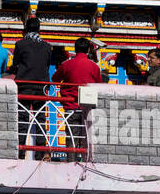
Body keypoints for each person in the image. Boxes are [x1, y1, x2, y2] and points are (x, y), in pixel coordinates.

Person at [9, 17, 52, 156]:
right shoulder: (46, 46)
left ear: (25, 30)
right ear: (39, 30)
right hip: (41, 86)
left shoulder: (21, 45)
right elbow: (46, 65)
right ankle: (42, 152)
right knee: (40, 119)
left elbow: (16, 65)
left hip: (24, 86)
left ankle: (21, 151)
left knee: (23, 118)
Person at [53, 37, 104, 111]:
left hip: (70, 105)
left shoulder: (66, 64)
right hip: (88, 106)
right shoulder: (94, 67)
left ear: (75, 49)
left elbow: (55, 79)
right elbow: (99, 85)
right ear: (88, 50)